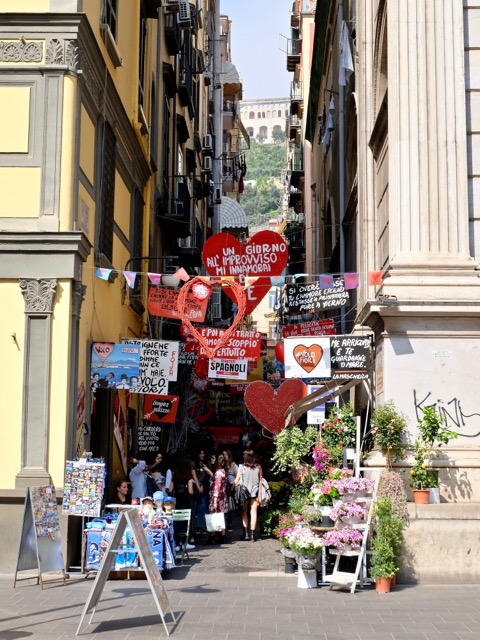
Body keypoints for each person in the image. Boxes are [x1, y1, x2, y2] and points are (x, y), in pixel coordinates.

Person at [234, 449, 263, 541]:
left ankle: (246, 534)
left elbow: (236, 480)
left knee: (244, 513)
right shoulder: (258, 467)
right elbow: (261, 480)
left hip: (244, 493)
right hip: (255, 493)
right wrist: (260, 494)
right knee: (253, 513)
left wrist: (230, 487)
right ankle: (253, 535)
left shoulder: (242, 467)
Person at [171, 458, 196, 550]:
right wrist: (194, 491)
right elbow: (190, 491)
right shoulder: (188, 477)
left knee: (177, 522)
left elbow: (170, 489)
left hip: (177, 501)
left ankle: (177, 543)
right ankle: (185, 542)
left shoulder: (175, 475)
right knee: (186, 522)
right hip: (186, 501)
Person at [205, 453, 228, 545]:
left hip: (217, 498)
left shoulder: (218, 473)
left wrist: (214, 501)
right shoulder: (223, 471)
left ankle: (212, 536)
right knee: (220, 516)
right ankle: (222, 536)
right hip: (223, 497)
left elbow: (217, 487)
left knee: (213, 516)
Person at [190, 449, 213, 532]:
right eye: (200, 453)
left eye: (203, 453)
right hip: (196, 486)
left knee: (203, 507)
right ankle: (196, 527)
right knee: (195, 507)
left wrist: (206, 469)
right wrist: (198, 486)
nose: (202, 455)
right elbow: (194, 476)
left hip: (205, 486)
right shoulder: (193, 463)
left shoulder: (207, 463)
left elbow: (210, 475)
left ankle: (202, 525)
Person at [223, 449, 238, 533]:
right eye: (223, 455)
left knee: (230, 506)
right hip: (224, 488)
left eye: (226, 454)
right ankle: (224, 524)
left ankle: (229, 524)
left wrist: (233, 486)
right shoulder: (222, 465)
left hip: (230, 487)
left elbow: (238, 476)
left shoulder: (233, 465)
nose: (225, 456)